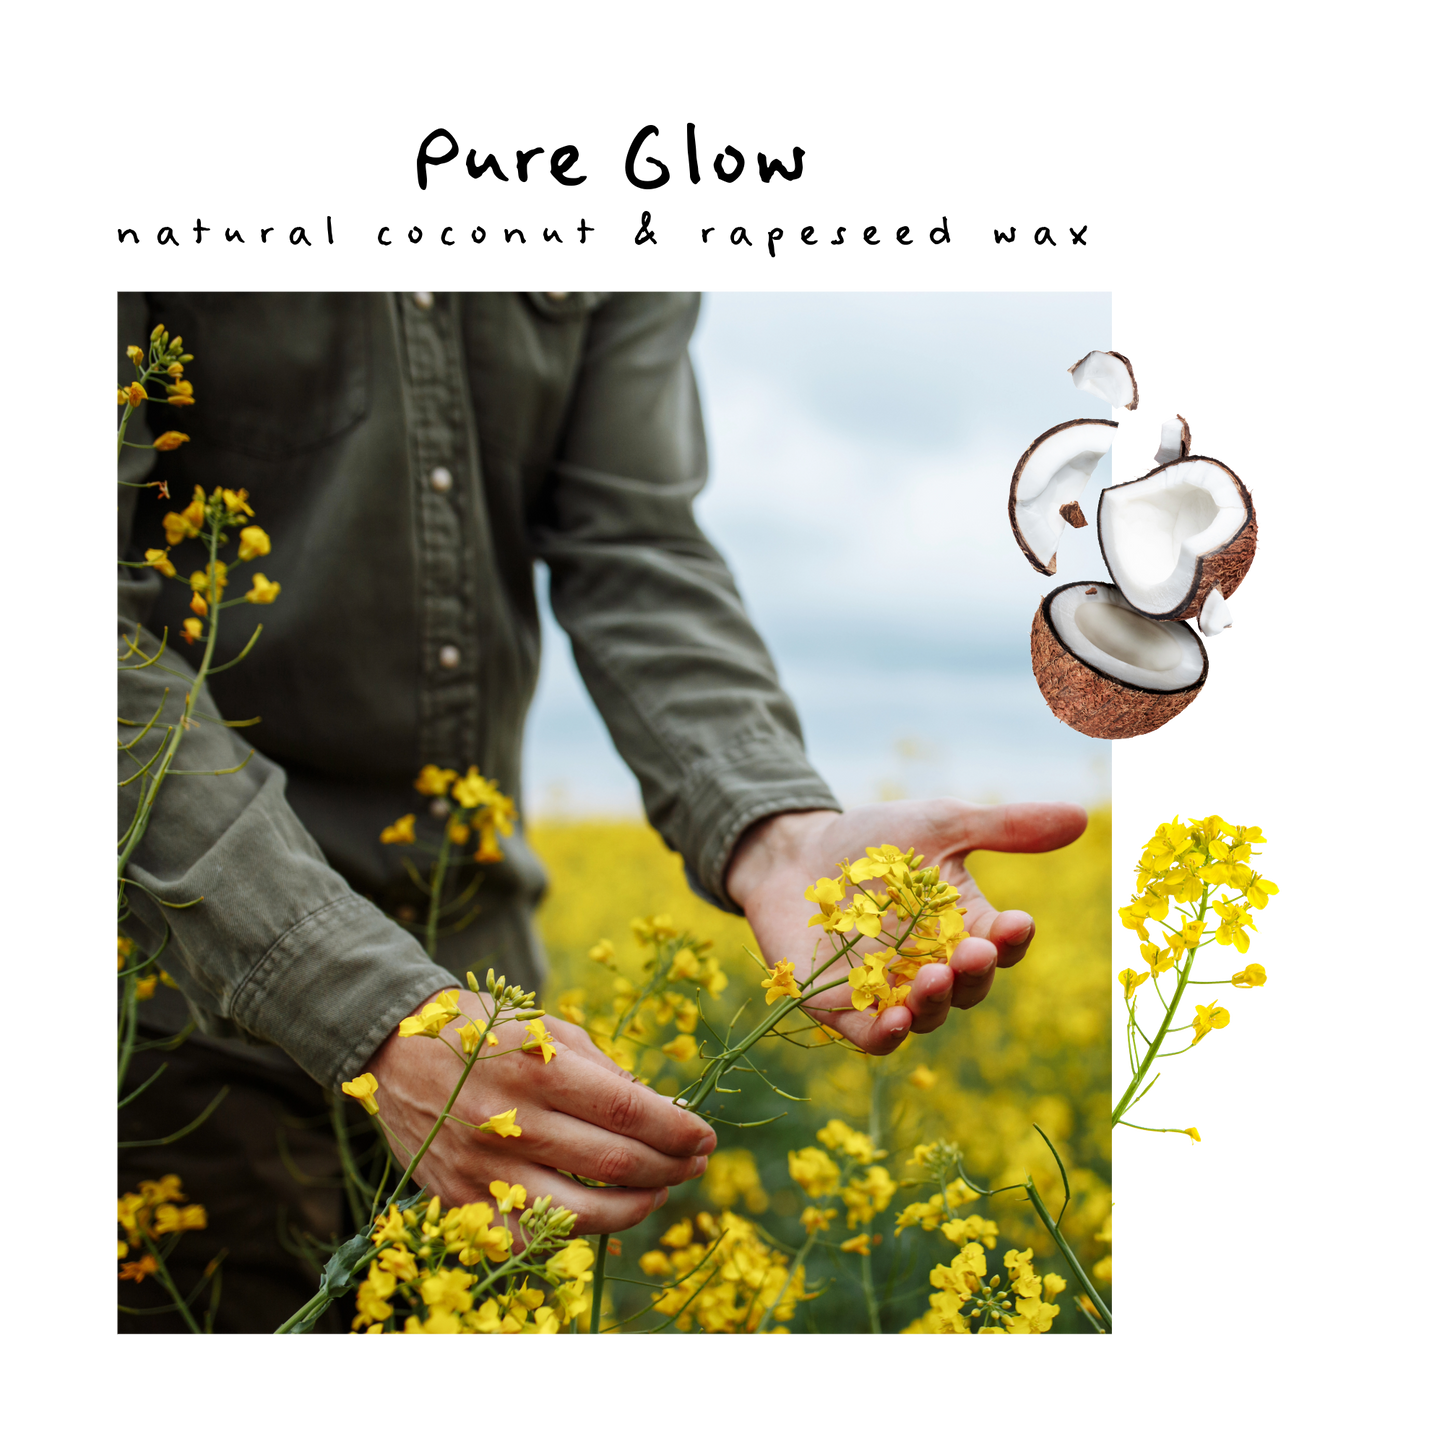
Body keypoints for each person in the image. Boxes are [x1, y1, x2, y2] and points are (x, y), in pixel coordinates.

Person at [113, 289, 1086, 1334]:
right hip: (175, 1013)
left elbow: (634, 545)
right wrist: (361, 1003)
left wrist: (777, 829)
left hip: (490, 1006)